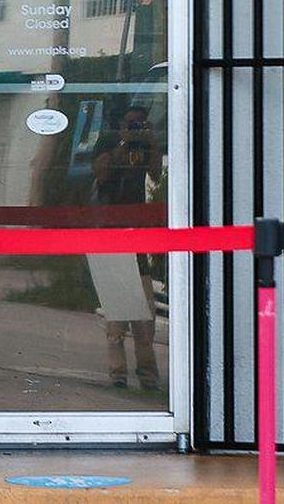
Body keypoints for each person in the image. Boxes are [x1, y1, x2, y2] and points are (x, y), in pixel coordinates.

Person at [90, 104, 162, 391]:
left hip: (136, 238)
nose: (135, 129)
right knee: (116, 317)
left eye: (140, 124)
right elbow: (102, 174)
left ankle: (148, 376)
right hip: (109, 234)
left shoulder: (145, 147)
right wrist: (123, 141)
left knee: (144, 314)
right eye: (131, 124)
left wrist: (150, 140)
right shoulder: (108, 143)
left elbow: (156, 174)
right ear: (120, 124)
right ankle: (117, 373)